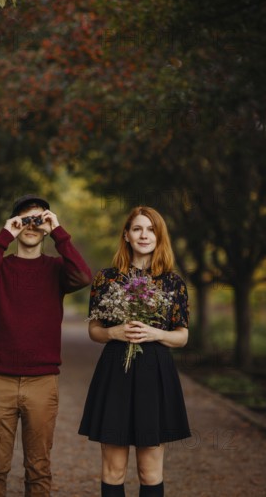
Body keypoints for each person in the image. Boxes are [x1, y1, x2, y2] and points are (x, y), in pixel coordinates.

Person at [0, 194, 92, 497]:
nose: (32, 225)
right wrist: (3, 237)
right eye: (25, 219)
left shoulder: (56, 269)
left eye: (39, 219)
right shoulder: (1, 268)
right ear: (15, 224)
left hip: (42, 382)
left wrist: (59, 233)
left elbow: (83, 276)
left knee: (39, 470)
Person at [78, 206, 191, 497]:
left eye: (151, 229)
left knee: (149, 471)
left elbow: (182, 337)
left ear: (159, 236)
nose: (144, 235)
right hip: (115, 371)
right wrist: (113, 332)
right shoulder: (106, 279)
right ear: (126, 235)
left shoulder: (173, 282)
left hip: (155, 374)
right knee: (113, 470)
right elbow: (94, 330)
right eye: (138, 228)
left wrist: (156, 333)